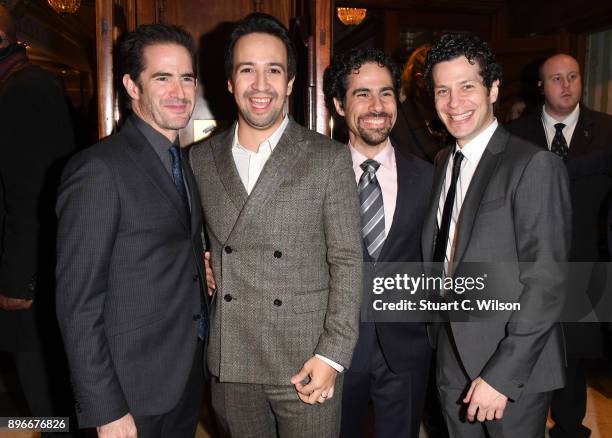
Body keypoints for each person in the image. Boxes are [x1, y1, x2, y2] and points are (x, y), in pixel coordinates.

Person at [190, 12, 362, 438]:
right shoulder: (199, 160)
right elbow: (189, 243)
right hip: (232, 358)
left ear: (289, 83)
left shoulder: (327, 158)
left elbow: (347, 260)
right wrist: (205, 265)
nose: (260, 84)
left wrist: (333, 355)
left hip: (306, 360)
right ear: (230, 81)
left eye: (274, 70)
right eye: (247, 69)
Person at [56, 24, 207, 438]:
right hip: (128, 390)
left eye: (187, 77)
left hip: (183, 375)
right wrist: (105, 409)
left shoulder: (184, 162)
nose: (179, 91)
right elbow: (77, 304)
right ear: (132, 86)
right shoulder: (98, 170)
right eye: (162, 77)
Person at [421, 34, 571, 437]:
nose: (454, 103)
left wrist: (502, 375)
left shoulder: (534, 164)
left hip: (511, 366)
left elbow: (547, 283)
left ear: (493, 89)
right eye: (442, 90)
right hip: (451, 354)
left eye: (467, 86)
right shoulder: (442, 162)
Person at [323, 47, 433, 438]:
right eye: (362, 94)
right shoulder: (314, 176)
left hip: (405, 350)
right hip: (333, 350)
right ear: (339, 104)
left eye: (386, 93)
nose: (376, 105)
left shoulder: (428, 176)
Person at [507, 53, 612, 438]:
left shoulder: (606, 130)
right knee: (529, 352)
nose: (566, 85)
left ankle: (570, 431)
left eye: (573, 77)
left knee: (574, 362)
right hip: (528, 267)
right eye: (556, 79)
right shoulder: (515, 133)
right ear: (541, 86)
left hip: (587, 266)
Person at [0, 4, 77, 432]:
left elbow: (31, 192)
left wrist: (17, 282)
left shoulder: (24, 89)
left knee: (44, 397)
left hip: (29, 277)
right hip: (30, 269)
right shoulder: (19, 85)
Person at [390, 44, 449, 163]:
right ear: (419, 81)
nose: (449, 95)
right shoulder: (396, 118)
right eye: (441, 87)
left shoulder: (443, 113)